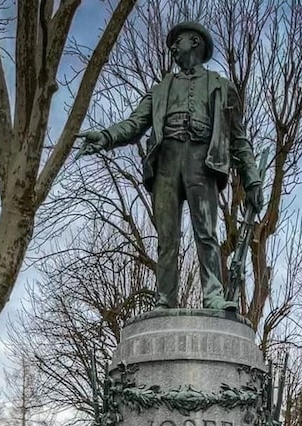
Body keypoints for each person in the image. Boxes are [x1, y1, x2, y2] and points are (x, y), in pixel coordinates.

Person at [78, 20, 263, 311]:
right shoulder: (160, 90)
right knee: (166, 237)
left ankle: (213, 295)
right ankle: (165, 298)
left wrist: (252, 179)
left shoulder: (220, 87)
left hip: (202, 161)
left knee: (206, 232)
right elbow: (134, 124)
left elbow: (239, 140)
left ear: (196, 43)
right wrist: (105, 136)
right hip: (166, 162)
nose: (173, 46)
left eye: (179, 40)